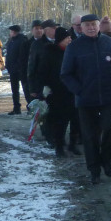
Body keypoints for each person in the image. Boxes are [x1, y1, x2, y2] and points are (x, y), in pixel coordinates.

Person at [60, 13, 111, 184]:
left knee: (110, 129)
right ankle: (94, 170)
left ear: (98, 26)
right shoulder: (74, 47)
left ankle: (107, 162)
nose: (90, 28)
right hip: (85, 99)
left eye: (93, 24)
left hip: (109, 97)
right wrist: (79, 90)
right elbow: (66, 74)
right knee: (90, 136)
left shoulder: (110, 43)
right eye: (87, 25)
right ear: (81, 28)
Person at [40, 27, 77, 157]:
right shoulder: (50, 52)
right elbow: (44, 71)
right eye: (67, 38)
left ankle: (73, 144)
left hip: (72, 91)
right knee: (60, 122)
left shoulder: (72, 51)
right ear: (61, 40)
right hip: (56, 93)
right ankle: (59, 146)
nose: (70, 40)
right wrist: (45, 88)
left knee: (75, 120)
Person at [4, 24, 31, 114]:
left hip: (20, 69)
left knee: (25, 88)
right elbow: (9, 55)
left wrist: (19, 66)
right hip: (12, 69)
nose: (10, 33)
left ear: (14, 32)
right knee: (14, 90)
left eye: (11, 32)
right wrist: (8, 65)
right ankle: (16, 107)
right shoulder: (11, 41)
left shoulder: (22, 41)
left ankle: (31, 106)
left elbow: (22, 56)